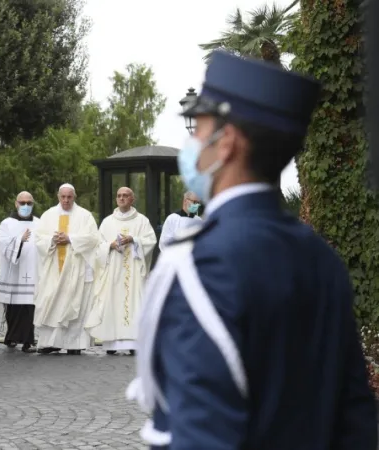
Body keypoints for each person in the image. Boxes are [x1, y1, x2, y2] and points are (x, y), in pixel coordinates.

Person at [127, 51, 378, 449]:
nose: (190, 143)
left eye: (198, 129)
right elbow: (356, 421)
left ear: (226, 143)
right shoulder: (320, 258)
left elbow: (200, 435)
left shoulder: (200, 265)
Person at [86, 187, 156, 355]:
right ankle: (111, 343)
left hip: (133, 269)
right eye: (119, 196)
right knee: (112, 301)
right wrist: (110, 245)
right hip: (113, 270)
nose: (122, 198)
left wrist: (134, 239)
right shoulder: (108, 221)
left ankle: (133, 343)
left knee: (133, 303)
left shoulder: (142, 221)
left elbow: (150, 241)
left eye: (125, 196)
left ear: (133, 199)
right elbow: (98, 246)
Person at [33, 183, 99, 355]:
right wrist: (53, 240)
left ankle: (73, 344)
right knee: (50, 301)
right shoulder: (48, 215)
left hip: (75, 269)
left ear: (74, 197)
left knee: (73, 303)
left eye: (69, 197)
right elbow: (39, 238)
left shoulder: (85, 216)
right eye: (63, 197)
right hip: (53, 269)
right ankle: (49, 342)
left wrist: (70, 238)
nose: (66, 200)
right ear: (58, 196)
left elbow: (93, 239)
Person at [0, 191, 40, 352]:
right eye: (22, 203)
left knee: (29, 306)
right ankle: (11, 337)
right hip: (13, 272)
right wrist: (19, 241)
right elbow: (2, 243)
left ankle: (28, 340)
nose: (25, 206)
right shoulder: (6, 223)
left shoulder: (39, 223)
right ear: (16, 204)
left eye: (29, 203)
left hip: (32, 269)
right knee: (13, 306)